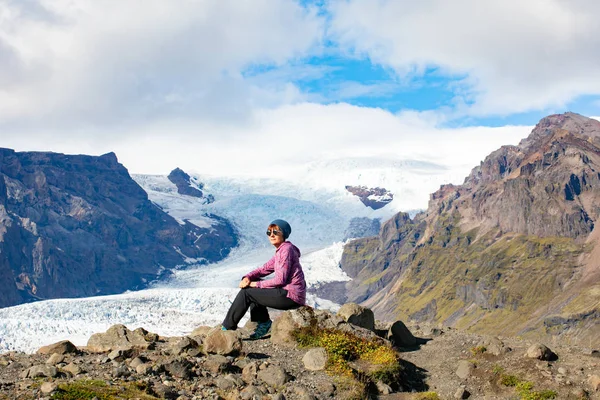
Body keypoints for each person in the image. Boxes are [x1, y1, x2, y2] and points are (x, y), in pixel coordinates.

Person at [222, 219, 306, 339]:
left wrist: (255, 284)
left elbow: (280, 280)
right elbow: (264, 269)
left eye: (276, 232)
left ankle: (227, 328)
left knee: (247, 293)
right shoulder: (281, 251)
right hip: (289, 294)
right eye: (269, 232)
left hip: (290, 296)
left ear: (284, 234)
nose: (271, 235)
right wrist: (248, 277)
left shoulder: (286, 251)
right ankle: (264, 323)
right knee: (254, 291)